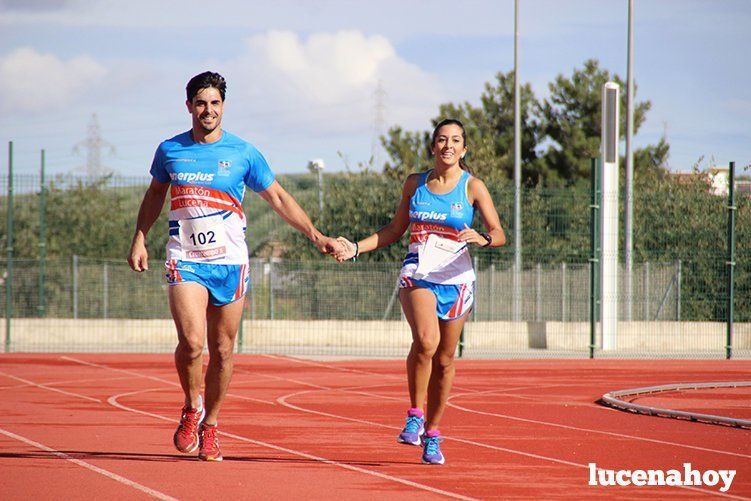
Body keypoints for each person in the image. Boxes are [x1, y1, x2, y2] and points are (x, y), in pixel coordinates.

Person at [128, 71, 341, 462]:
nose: (208, 110)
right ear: (189, 105)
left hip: (229, 261)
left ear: (223, 106)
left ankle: (211, 425)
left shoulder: (244, 152)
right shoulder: (170, 150)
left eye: (215, 103)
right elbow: (155, 193)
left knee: (223, 351)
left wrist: (317, 235)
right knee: (192, 344)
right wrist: (140, 236)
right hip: (185, 258)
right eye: (201, 103)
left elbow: (277, 197)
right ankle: (192, 408)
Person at [333, 119, 505, 465]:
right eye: (442, 140)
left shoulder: (473, 187)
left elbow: (499, 232)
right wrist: (355, 247)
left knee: (445, 358)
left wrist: (483, 237)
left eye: (455, 140)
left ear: (464, 149)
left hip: (456, 278)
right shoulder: (416, 184)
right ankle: (414, 413)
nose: (448, 146)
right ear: (433, 146)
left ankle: (433, 432)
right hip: (418, 271)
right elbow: (395, 229)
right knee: (426, 342)